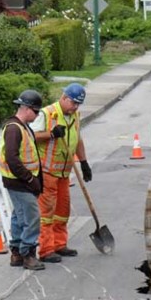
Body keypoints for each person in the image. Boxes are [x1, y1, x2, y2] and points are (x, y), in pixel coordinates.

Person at [32, 82, 92, 263]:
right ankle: (46, 250)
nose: (75, 107)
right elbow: (31, 135)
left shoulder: (75, 115)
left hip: (65, 173)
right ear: (64, 98)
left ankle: (60, 244)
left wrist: (84, 162)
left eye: (78, 104)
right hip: (47, 172)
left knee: (62, 212)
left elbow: (77, 138)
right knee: (47, 213)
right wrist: (50, 134)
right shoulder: (47, 113)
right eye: (73, 103)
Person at [0, 89, 45, 271]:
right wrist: (29, 179)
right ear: (26, 108)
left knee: (19, 216)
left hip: (20, 181)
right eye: (36, 111)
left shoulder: (24, 127)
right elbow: (12, 158)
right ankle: (28, 253)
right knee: (32, 217)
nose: (37, 114)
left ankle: (16, 252)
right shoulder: (13, 129)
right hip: (18, 182)